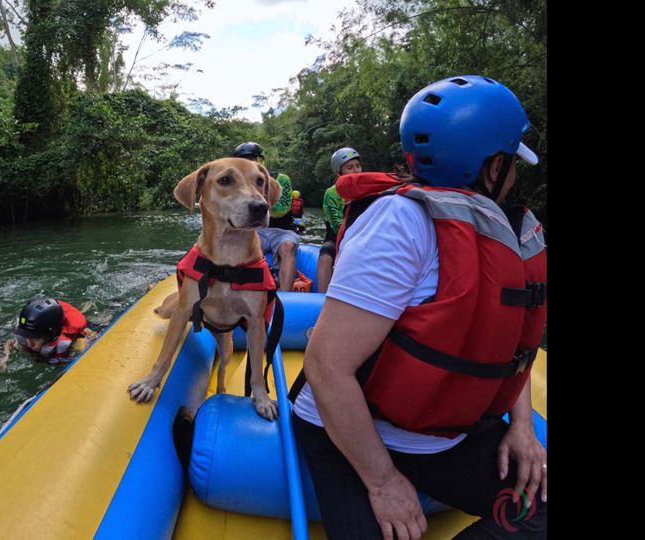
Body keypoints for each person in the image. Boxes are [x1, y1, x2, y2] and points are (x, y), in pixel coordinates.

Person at [292, 75, 547, 539]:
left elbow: (508, 338)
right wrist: (383, 480)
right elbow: (327, 368)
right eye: (512, 164)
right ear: (492, 168)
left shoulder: (505, 227)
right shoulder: (399, 223)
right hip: (354, 432)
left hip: (447, 435)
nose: (514, 177)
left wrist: (522, 427)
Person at [232, 142, 301, 292]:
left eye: (252, 159)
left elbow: (281, 209)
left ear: (261, 160)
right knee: (241, 245)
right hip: (255, 232)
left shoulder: (281, 179)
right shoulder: (236, 184)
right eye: (244, 161)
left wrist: (260, 198)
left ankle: (285, 296)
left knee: (288, 246)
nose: (249, 164)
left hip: (282, 231)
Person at [0, 297, 95, 370]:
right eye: (27, 337)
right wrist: (5, 358)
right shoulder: (28, 339)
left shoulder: (78, 345)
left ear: (53, 335)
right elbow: (10, 342)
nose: (29, 344)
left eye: (35, 338)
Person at [317, 147, 362, 293]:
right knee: (325, 253)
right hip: (336, 239)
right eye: (350, 167)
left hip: (363, 238)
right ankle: (322, 297)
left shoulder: (368, 189)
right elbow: (337, 226)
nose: (356, 171)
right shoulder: (332, 193)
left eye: (358, 166)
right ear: (339, 173)